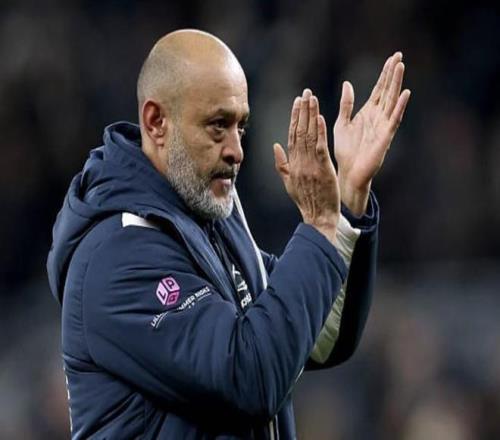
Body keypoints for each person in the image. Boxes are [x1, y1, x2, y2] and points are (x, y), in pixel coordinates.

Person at [47, 29, 410, 439]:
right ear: (156, 122)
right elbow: (249, 377)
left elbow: (317, 336)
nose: (236, 150)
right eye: (218, 125)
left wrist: (348, 200)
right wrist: (320, 226)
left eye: (241, 127)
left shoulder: (212, 217)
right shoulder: (116, 255)